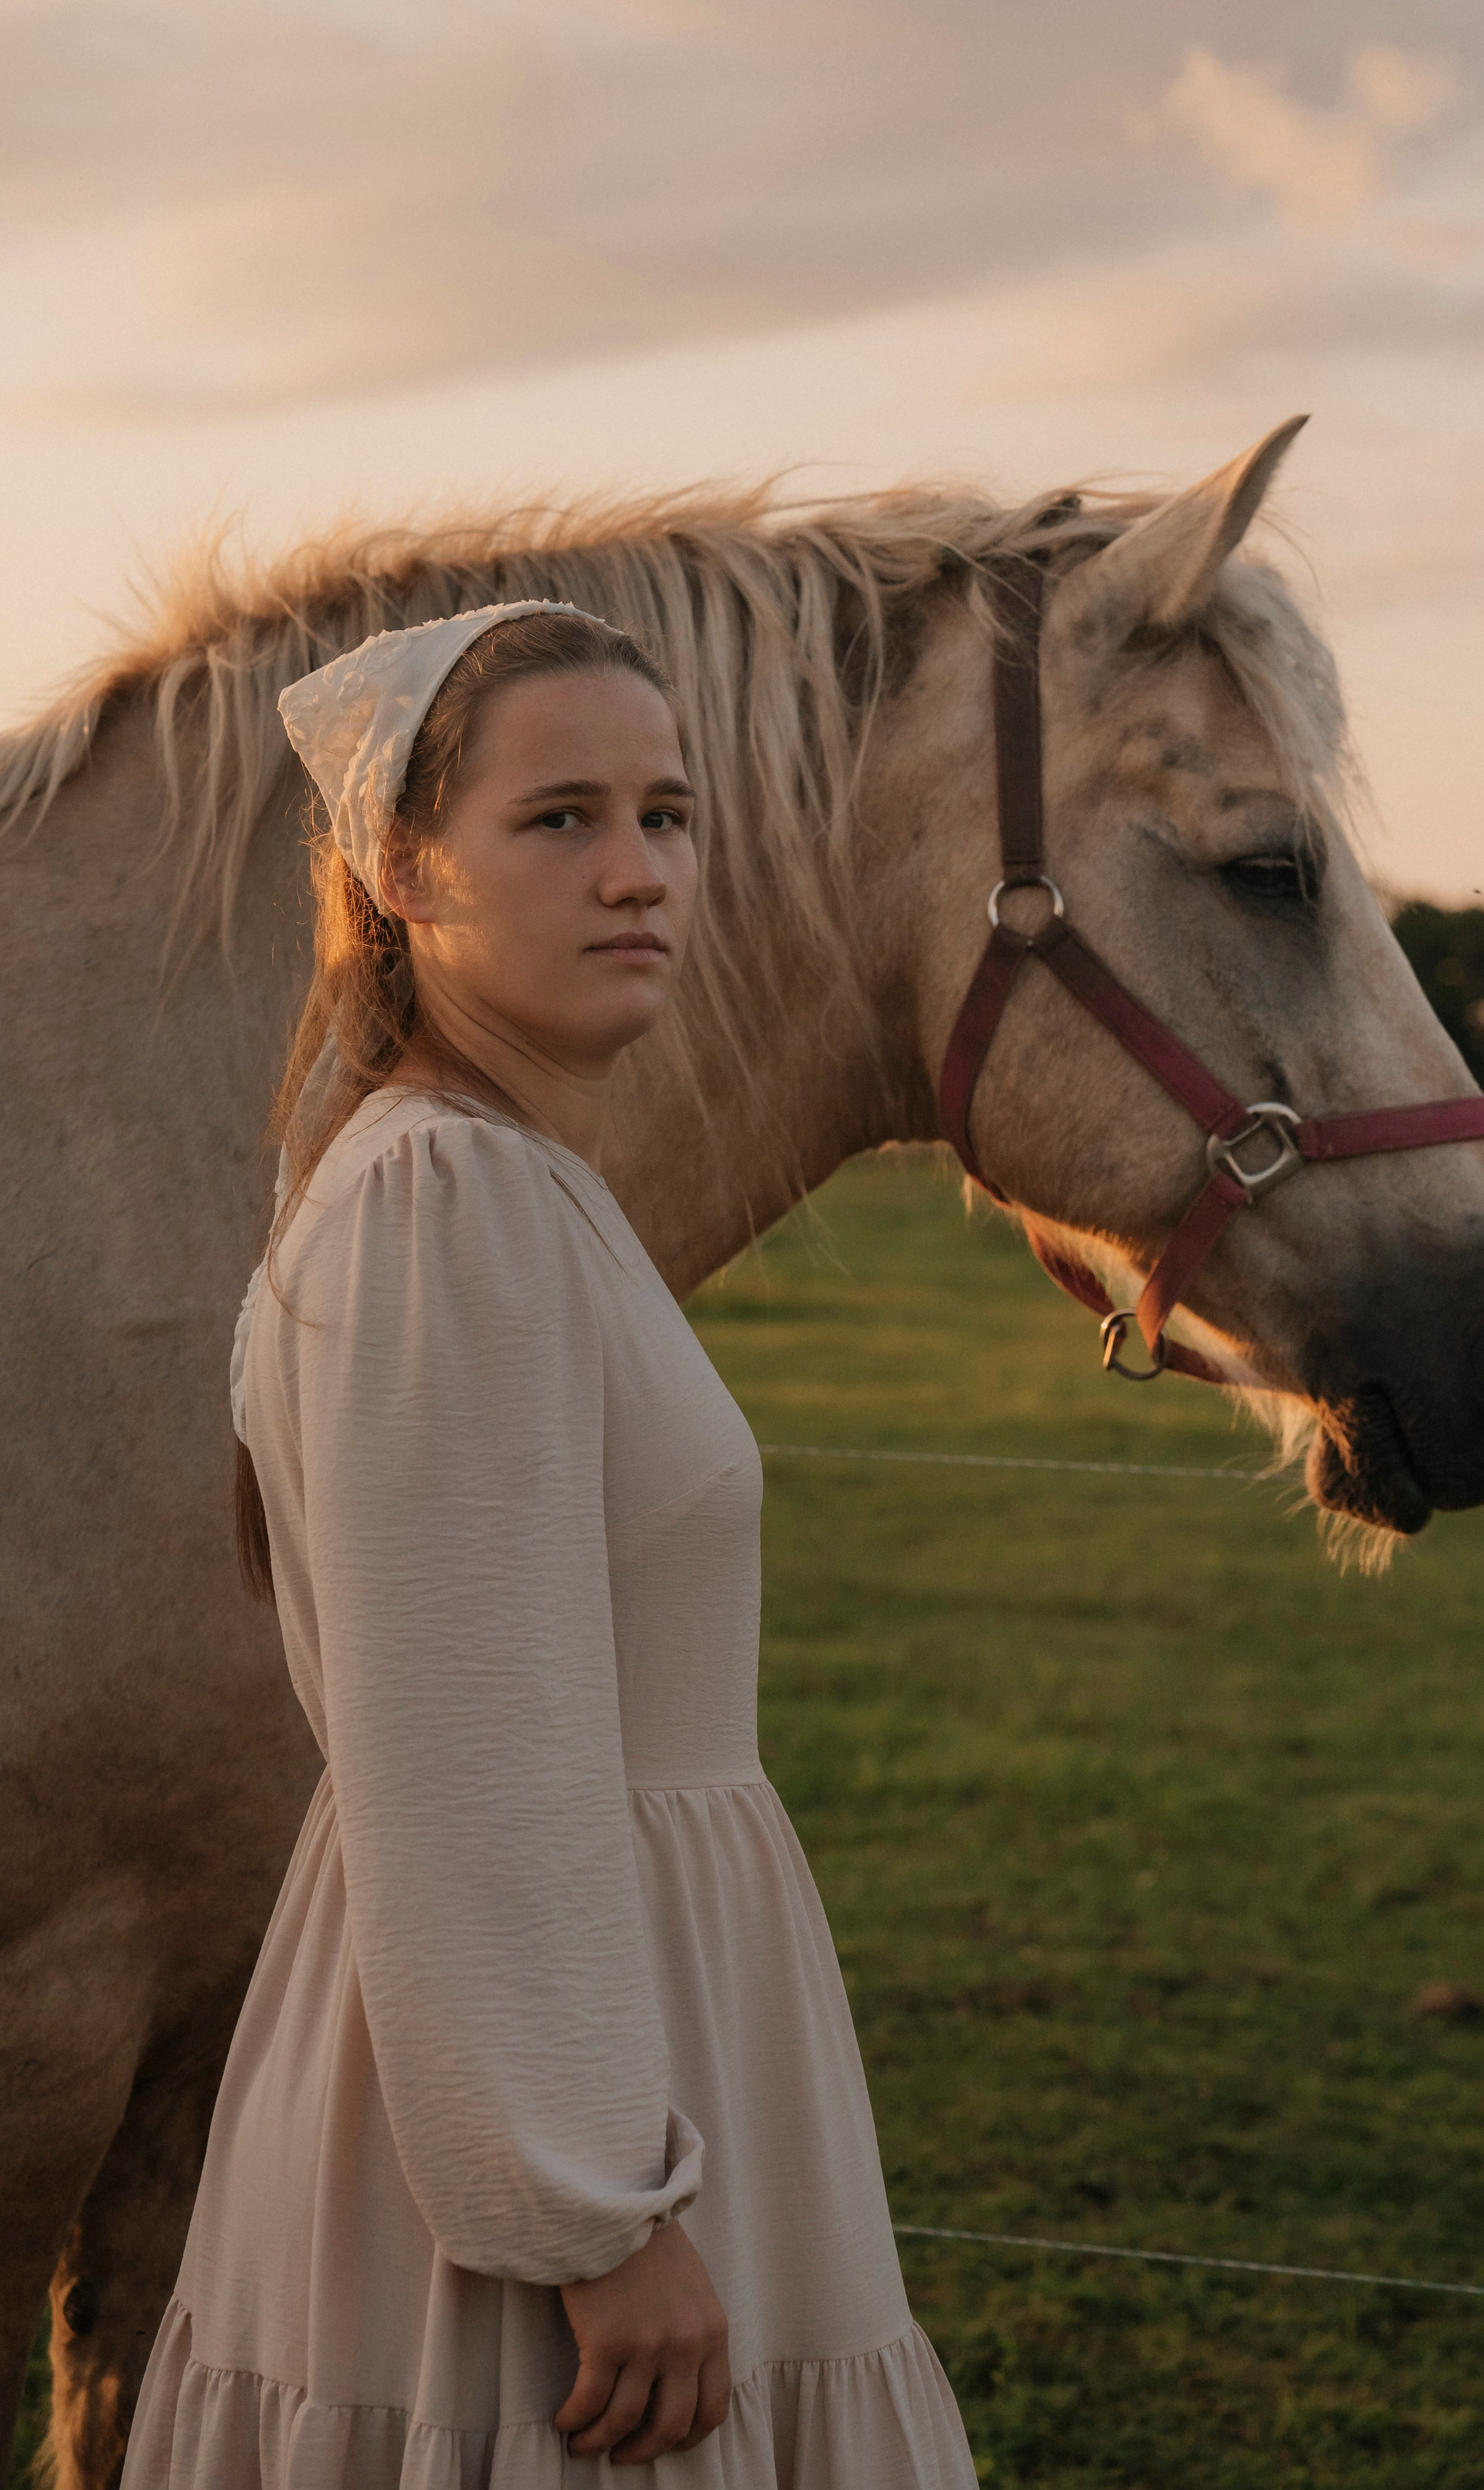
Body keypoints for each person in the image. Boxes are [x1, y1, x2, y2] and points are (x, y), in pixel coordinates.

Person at [122, 600, 976, 2487]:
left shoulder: (516, 1183)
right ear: (403, 868)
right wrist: (594, 2216)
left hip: (627, 2013)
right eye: (561, 819)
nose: (637, 872)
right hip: (548, 2092)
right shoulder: (440, 1202)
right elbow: (471, 1749)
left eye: (667, 817)